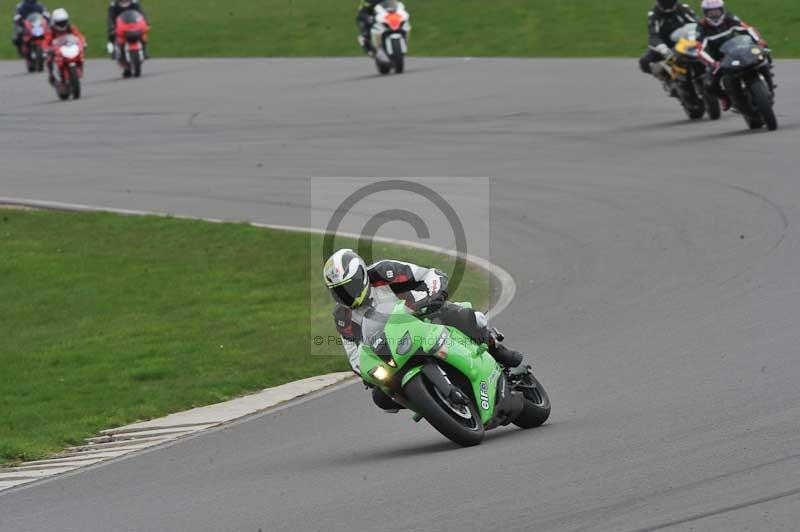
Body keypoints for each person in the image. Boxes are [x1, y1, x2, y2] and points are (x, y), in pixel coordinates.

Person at [324, 249, 527, 412]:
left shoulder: (384, 271)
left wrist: (431, 297)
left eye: (349, 287)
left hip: (423, 317)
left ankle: (496, 348)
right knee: (381, 396)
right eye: (338, 291)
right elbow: (353, 353)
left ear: (361, 276)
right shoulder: (343, 317)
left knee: (466, 317)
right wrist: (366, 372)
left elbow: (430, 275)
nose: (346, 295)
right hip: (393, 350)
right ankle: (429, 403)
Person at [697, 0, 772, 111]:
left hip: (736, 51)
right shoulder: (701, 27)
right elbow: (699, 49)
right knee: (709, 84)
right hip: (717, 59)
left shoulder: (730, 18)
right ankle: (725, 98)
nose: (714, 14)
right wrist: (713, 62)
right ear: (705, 13)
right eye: (710, 12)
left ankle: (769, 84)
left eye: (716, 11)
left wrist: (759, 41)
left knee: (764, 58)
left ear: (722, 10)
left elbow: (747, 29)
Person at [639, 0, 697, 80]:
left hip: (685, 43)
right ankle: (669, 79)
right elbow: (653, 36)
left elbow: (697, 24)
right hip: (666, 47)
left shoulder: (683, 8)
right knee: (644, 62)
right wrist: (663, 48)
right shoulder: (654, 14)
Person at [44, 8, 85, 85]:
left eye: (63, 22)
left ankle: (79, 68)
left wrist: (82, 43)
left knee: (80, 54)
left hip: (68, 47)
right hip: (56, 50)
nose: (62, 24)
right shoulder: (51, 30)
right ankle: (51, 75)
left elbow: (79, 36)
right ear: (54, 22)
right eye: (59, 23)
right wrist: (47, 49)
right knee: (49, 59)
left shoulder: (71, 27)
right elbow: (46, 41)